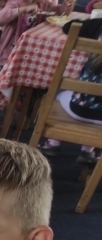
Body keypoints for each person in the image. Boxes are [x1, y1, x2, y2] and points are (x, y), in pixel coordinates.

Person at [38, 18, 102, 165]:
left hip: (78, 110)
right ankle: (87, 151)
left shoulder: (98, 25)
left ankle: (52, 144)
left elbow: (69, 27)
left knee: (60, 90)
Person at [0, 0, 75, 69]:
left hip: (29, 56)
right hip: (9, 59)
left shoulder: (43, 4)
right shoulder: (16, 3)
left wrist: (66, 5)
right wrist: (23, 9)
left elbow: (59, 13)